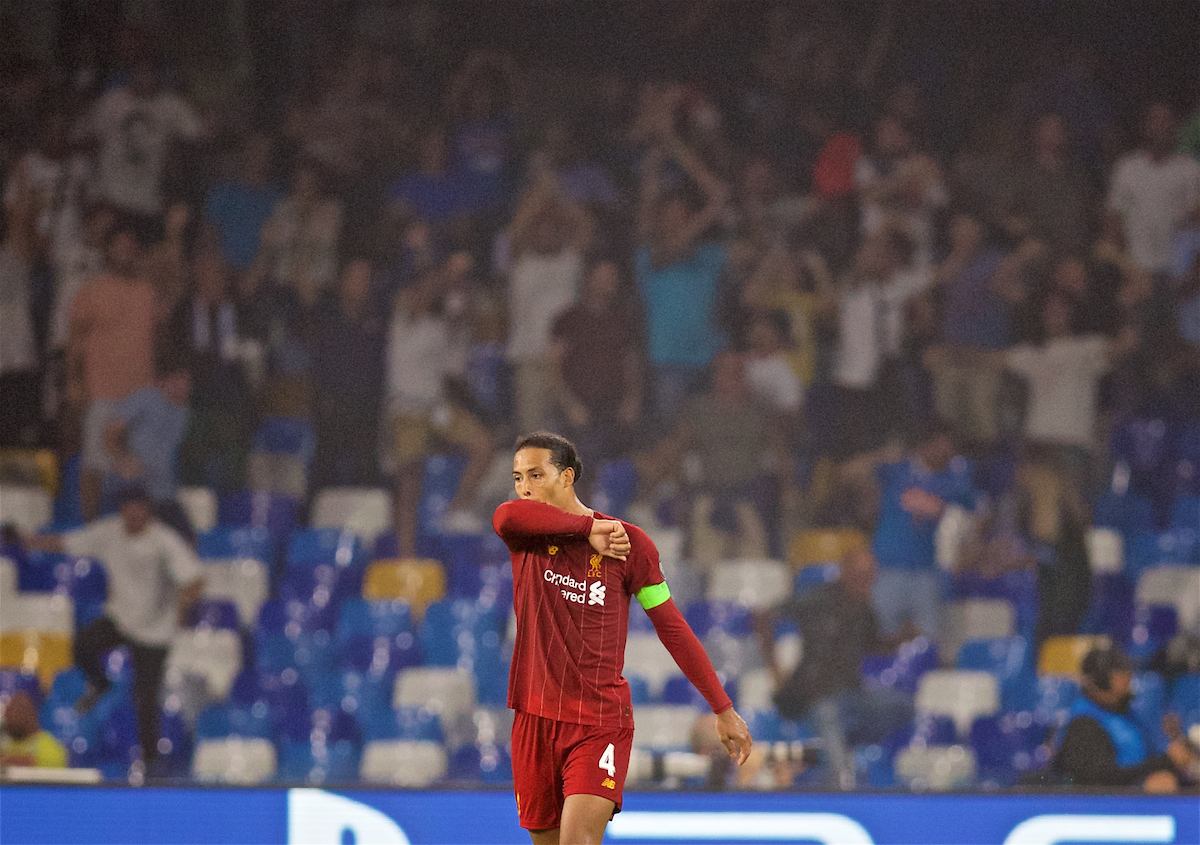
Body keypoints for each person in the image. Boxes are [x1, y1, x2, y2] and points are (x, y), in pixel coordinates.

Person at [494, 432, 751, 844]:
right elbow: (505, 517)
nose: (525, 487)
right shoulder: (525, 533)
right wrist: (586, 529)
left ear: (568, 477)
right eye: (518, 477)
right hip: (533, 718)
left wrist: (722, 707)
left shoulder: (629, 545)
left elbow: (672, 627)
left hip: (598, 722)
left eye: (537, 475)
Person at [21, 486, 204, 768]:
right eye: (127, 507)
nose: (133, 513)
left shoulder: (164, 541)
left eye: (139, 506)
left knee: (144, 698)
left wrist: (181, 611)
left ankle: (150, 763)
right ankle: (100, 683)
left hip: (155, 632)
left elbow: (194, 579)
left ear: (148, 509)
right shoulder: (110, 532)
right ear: (121, 510)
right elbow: (67, 542)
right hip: (120, 620)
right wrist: (27, 541)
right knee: (81, 644)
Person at [754, 548, 915, 790]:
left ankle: (850, 740)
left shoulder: (864, 609)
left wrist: (901, 638)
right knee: (840, 773)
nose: (866, 581)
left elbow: (872, 645)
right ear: (844, 572)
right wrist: (775, 670)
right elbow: (763, 616)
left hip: (852, 694)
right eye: (860, 574)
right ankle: (837, 776)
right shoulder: (818, 598)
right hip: (816, 694)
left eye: (870, 575)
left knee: (904, 707)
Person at [384, 250, 494, 554]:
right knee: (409, 484)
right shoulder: (402, 314)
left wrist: (460, 306)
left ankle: (457, 509)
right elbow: (416, 295)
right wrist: (445, 279)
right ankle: (405, 556)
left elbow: (456, 361)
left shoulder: (441, 326)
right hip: (406, 411)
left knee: (483, 446)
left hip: (435, 408)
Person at [634, 130, 730, 426]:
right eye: (671, 215)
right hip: (669, 364)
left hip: (710, 358)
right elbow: (667, 239)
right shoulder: (649, 258)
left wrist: (675, 143)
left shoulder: (710, 256)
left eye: (683, 214)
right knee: (673, 433)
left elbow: (720, 197)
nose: (678, 220)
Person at [66, 222, 160, 521]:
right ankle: (90, 527)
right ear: (108, 252)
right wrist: (74, 382)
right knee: (93, 465)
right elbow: (75, 341)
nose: (125, 252)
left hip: (141, 397)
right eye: (119, 246)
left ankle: (138, 535)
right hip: (103, 392)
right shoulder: (92, 290)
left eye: (131, 246)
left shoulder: (148, 292)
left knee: (141, 469)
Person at [862, 421, 976, 643]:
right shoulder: (897, 470)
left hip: (926, 571)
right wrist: (881, 455)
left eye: (952, 450)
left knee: (929, 641)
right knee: (882, 636)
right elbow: (851, 474)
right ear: (927, 445)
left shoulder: (953, 479)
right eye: (943, 447)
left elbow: (978, 510)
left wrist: (943, 511)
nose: (948, 454)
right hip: (887, 568)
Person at [504, 169, 593, 434]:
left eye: (552, 229)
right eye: (540, 228)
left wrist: (557, 197)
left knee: (572, 434)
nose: (546, 233)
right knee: (534, 437)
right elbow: (516, 232)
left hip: (568, 360)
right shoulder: (520, 263)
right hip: (531, 359)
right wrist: (540, 198)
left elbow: (586, 226)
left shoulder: (569, 262)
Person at [1053, 645, 1197, 791]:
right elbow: (1100, 778)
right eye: (1118, 671)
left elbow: (1149, 755)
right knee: (1162, 784)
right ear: (1099, 679)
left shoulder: (1126, 714)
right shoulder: (1083, 724)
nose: (1128, 677)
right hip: (1109, 803)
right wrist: (1165, 761)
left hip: (1132, 791)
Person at [549, 257, 643, 470]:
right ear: (589, 278)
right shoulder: (567, 319)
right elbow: (553, 367)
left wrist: (632, 399)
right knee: (580, 459)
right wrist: (569, 404)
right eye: (602, 276)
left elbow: (631, 363)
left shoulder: (623, 319)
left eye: (612, 278)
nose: (607, 282)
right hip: (579, 405)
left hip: (614, 404)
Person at [1105, 103, 1200, 278]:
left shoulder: (1190, 168)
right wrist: (1121, 265)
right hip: (1136, 269)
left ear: (1175, 127)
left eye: (1166, 121)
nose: (1161, 126)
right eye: (1156, 120)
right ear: (1146, 126)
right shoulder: (1127, 167)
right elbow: (1113, 218)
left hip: (1177, 270)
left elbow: (1196, 218)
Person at [0, 691, 67, 769]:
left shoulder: (49, 747)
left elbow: (55, 767)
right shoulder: (3, 742)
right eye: (10, 712)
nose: (14, 717)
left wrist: (28, 763)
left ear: (32, 716)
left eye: (20, 713)